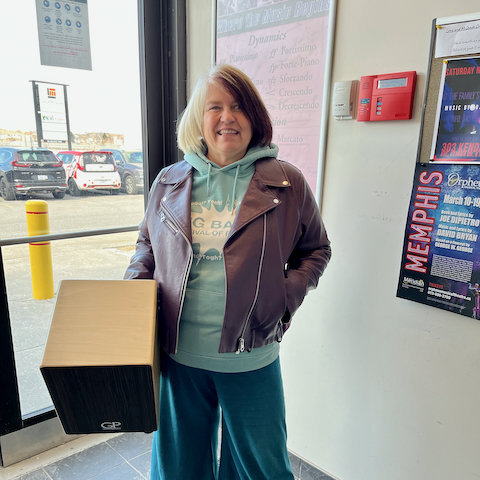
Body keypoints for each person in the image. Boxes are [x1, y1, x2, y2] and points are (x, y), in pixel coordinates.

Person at [124, 64, 331, 480]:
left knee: (263, 469)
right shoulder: (169, 182)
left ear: (254, 117)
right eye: (214, 107)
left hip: (249, 356)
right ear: (199, 119)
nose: (227, 117)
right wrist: (133, 293)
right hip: (179, 354)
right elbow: (146, 245)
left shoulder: (286, 183)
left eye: (238, 106)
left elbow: (316, 249)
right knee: (179, 468)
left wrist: (283, 297)